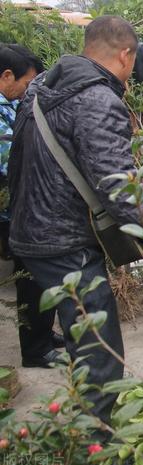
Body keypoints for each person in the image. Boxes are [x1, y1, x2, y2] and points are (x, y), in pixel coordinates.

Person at [8, 16, 143, 429]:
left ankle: (86, 430)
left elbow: (17, 163)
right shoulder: (96, 98)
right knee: (100, 356)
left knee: (83, 345)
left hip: (33, 235)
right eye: (132, 64)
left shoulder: (41, 88)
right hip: (65, 243)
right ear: (125, 55)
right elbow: (117, 184)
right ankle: (99, 448)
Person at [0, 44, 66, 368]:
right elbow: (9, 158)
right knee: (29, 279)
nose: (29, 91)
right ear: (7, 76)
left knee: (40, 277)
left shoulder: (11, 104)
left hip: (29, 204)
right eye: (27, 84)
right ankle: (34, 350)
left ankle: (43, 334)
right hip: (18, 207)